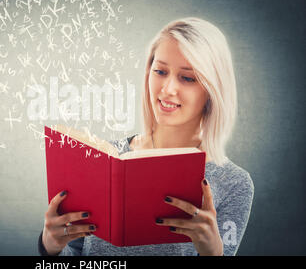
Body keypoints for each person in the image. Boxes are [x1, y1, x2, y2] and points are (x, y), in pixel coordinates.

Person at [38, 17, 254, 256]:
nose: (167, 89)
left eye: (188, 78)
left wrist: (213, 253)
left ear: (213, 90)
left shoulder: (233, 183)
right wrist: (50, 247)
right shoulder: (103, 161)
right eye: (160, 71)